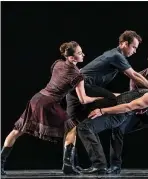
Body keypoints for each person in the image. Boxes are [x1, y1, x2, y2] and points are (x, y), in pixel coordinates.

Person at [65, 31, 148, 174]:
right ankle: (96, 165)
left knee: (78, 126)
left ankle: (73, 165)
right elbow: (134, 75)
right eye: (133, 47)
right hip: (81, 87)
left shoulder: (113, 54)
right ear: (124, 44)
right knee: (112, 101)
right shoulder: (116, 55)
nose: (135, 51)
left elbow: (134, 86)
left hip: (79, 90)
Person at [1, 41, 103, 176]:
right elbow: (83, 99)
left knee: (17, 130)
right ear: (71, 58)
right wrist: (98, 98)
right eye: (79, 53)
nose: (83, 54)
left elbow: (57, 80)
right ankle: (67, 166)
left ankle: (1, 162)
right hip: (48, 102)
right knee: (71, 127)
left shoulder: (57, 64)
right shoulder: (78, 76)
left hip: (36, 98)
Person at [77, 79, 148, 175]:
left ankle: (99, 166)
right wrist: (101, 96)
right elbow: (126, 96)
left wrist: (102, 111)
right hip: (114, 105)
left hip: (117, 115)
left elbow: (128, 107)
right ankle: (99, 165)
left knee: (84, 128)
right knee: (85, 123)